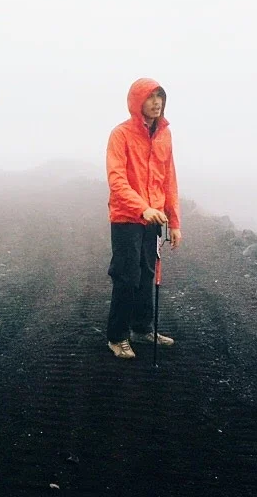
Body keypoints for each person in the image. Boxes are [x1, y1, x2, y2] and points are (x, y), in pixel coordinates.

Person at [105, 78, 182, 359]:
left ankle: (142, 328)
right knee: (127, 276)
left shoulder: (164, 135)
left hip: (154, 218)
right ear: (137, 101)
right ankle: (117, 337)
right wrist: (142, 208)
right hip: (127, 216)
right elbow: (117, 179)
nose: (156, 102)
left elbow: (169, 178)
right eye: (150, 97)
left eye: (160, 96)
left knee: (148, 273)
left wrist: (174, 222)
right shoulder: (121, 134)